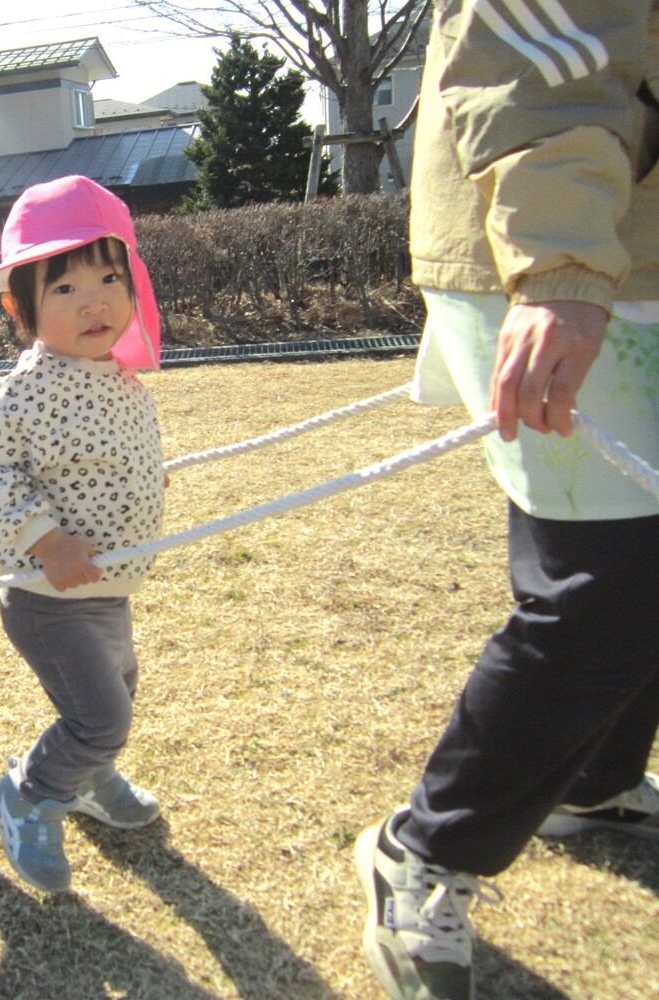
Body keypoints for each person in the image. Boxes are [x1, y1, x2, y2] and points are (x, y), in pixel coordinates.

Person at [354, 4, 659, 998]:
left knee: (636, 572)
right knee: (606, 585)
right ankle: (420, 848)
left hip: (628, 240)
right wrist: (558, 259)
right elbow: (536, 41)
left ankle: (594, 782)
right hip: (569, 243)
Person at [0, 176, 166, 893]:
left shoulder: (116, 376)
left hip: (109, 589)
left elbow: (101, 456)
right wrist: (46, 540)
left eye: (109, 279)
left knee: (117, 696)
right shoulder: (25, 390)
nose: (94, 302)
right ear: (20, 308)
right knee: (100, 717)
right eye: (66, 287)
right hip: (49, 598)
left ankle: (89, 781)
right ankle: (27, 794)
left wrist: (145, 482)